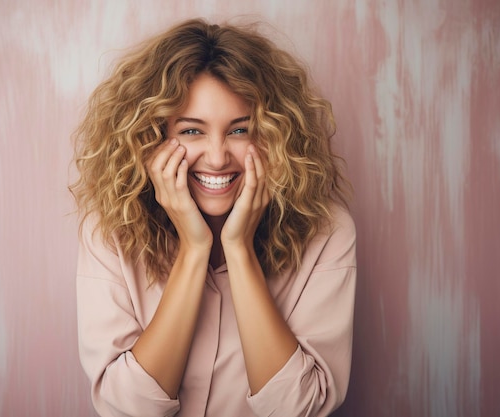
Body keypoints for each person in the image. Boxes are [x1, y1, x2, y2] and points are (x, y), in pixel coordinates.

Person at [69, 17, 356, 417]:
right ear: (153, 137)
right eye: (191, 131)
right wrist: (194, 249)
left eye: (240, 130)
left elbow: (300, 409)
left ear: (274, 135)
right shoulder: (108, 234)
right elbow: (127, 409)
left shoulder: (329, 232)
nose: (218, 157)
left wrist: (238, 249)